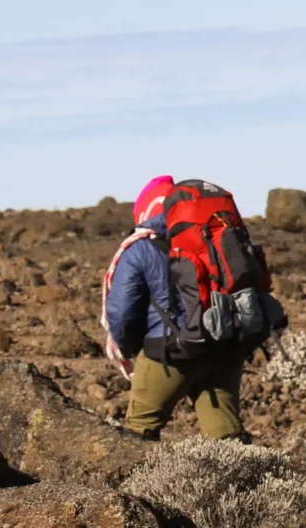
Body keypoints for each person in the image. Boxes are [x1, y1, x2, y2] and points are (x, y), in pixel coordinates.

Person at [103, 175, 249, 441]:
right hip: (223, 344)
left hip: (170, 352)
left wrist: (132, 347)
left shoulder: (140, 248)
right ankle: (247, 480)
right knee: (225, 435)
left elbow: (122, 312)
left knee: (139, 431)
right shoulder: (209, 236)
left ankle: (139, 481)